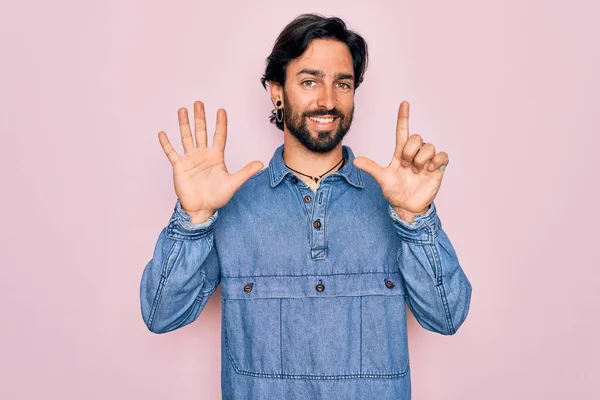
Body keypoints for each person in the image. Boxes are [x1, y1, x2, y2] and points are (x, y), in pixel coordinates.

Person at [139, 13, 472, 400]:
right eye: (310, 81)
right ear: (277, 92)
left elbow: (447, 317)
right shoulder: (230, 203)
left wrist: (416, 220)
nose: (328, 100)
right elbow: (161, 314)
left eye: (342, 84)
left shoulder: (395, 201)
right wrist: (193, 218)